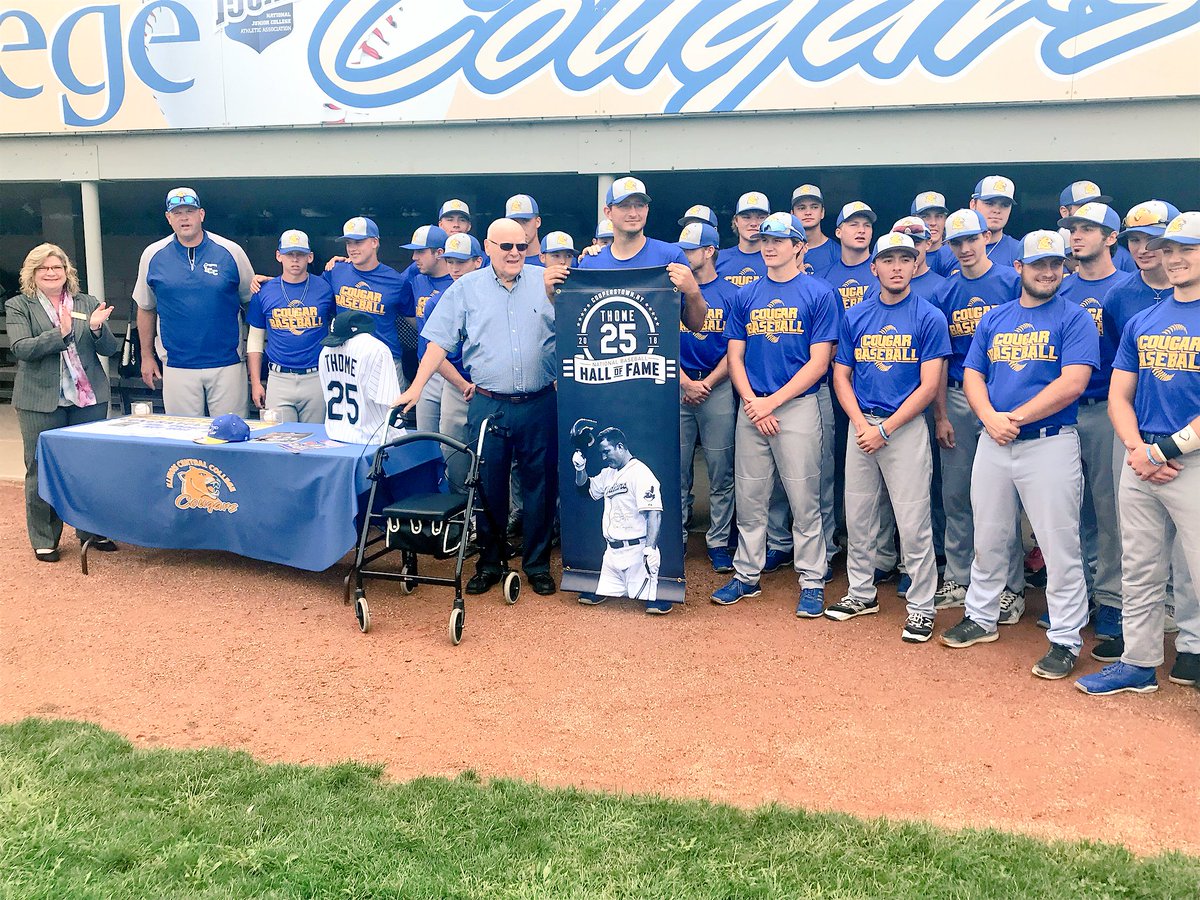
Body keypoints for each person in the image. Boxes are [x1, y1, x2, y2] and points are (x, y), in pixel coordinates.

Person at [941, 230, 1099, 680]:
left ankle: (1066, 638)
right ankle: (982, 615)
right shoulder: (995, 318)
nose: (1048, 272)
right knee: (988, 535)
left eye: (1055, 265)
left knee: (1058, 542)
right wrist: (990, 416)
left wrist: (1012, 418)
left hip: (1049, 441)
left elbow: (1073, 381)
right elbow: (972, 373)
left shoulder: (1074, 318)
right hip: (996, 440)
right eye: (1038, 265)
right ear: (1019, 268)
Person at [397, 218, 559, 598]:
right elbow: (437, 342)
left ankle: (536, 564)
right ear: (487, 248)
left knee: (540, 487)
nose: (515, 253)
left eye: (521, 246)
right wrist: (416, 388)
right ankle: (490, 562)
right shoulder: (465, 289)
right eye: (506, 247)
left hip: (539, 401)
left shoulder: (546, 282)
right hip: (489, 403)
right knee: (487, 487)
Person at [1075, 211, 1200, 695]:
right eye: (1169, 250)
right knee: (1141, 565)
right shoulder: (1146, 317)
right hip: (1142, 456)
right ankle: (1139, 662)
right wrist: (1138, 448)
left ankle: (1192, 649)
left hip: (1187, 459)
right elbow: (1118, 394)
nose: (1174, 259)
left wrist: (1165, 449)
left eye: (1186, 250)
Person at [711, 213, 840, 616]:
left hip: (796, 406)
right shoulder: (746, 294)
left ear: (799, 246)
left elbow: (820, 363)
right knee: (750, 496)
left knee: (805, 498)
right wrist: (753, 402)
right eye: (766, 239)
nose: (769, 246)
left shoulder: (819, 293)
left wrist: (771, 403)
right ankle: (746, 574)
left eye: (780, 241)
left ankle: (812, 580)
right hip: (753, 405)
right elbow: (735, 355)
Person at [828, 232, 950, 642]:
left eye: (905, 258)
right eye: (889, 259)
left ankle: (921, 606)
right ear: (873, 267)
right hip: (862, 425)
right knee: (859, 517)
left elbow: (929, 385)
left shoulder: (928, 315)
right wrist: (862, 425)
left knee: (913, 522)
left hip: (903, 427)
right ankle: (861, 592)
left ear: (916, 264)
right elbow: (840, 375)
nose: (897, 266)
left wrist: (886, 427)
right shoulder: (856, 315)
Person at [933, 209, 1024, 613]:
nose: (966, 249)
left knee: (1003, 498)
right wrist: (940, 416)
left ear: (987, 237)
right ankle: (957, 577)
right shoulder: (945, 292)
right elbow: (937, 361)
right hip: (955, 396)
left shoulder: (1010, 282)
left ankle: (1010, 586)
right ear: (949, 248)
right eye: (957, 243)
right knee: (956, 494)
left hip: (1000, 398)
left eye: (972, 239)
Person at [7, 243, 120, 561]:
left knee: (89, 466)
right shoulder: (20, 306)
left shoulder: (87, 302)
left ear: (66, 271)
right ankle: (45, 537)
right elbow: (21, 347)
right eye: (43, 268)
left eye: (57, 267)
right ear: (32, 273)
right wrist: (61, 333)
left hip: (88, 399)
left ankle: (91, 530)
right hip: (40, 400)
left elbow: (109, 349)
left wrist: (96, 328)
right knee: (41, 467)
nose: (51, 273)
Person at [1055, 202, 1133, 637]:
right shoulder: (1060, 289)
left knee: (1108, 510)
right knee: (1068, 508)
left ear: (1110, 238)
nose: (1077, 235)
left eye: (1089, 229)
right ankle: (1076, 592)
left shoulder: (1126, 288)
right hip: (1064, 412)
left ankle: (1111, 599)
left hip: (1106, 409)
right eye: (1073, 228)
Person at [134, 187, 254, 416]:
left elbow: (251, 303)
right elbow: (146, 307)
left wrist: (254, 357)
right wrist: (147, 356)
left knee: (231, 434)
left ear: (201, 214)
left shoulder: (230, 251)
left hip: (227, 362)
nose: (184, 217)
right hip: (177, 363)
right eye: (177, 213)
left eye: (190, 211)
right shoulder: (152, 254)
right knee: (184, 438)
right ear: (168, 218)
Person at [675, 222, 740, 573]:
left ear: (709, 251)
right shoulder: (672, 291)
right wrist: (685, 381)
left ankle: (717, 541)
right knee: (677, 470)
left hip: (718, 387)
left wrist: (708, 383)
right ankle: (678, 537)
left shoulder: (731, 293)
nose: (683, 256)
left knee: (720, 471)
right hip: (678, 385)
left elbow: (735, 351)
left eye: (689, 250)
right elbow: (661, 340)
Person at [246, 229, 335, 424]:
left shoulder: (325, 287)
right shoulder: (264, 290)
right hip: (279, 377)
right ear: (279, 256)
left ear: (309, 257)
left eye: (300, 255)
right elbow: (255, 339)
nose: (295, 260)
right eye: (289, 254)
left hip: (316, 376)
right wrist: (255, 383)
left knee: (316, 443)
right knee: (277, 440)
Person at [572, 427, 664, 605]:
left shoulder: (641, 473)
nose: (604, 458)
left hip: (637, 554)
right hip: (611, 557)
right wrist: (580, 468)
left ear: (620, 446)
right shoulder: (608, 473)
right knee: (603, 612)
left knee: (647, 610)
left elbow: (654, 513)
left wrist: (650, 549)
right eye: (601, 454)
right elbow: (584, 490)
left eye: (606, 452)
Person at [325, 216, 412, 387]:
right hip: (345, 358)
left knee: (388, 413)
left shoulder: (397, 281)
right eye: (349, 243)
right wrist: (268, 282)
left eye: (358, 242)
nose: (352, 248)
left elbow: (415, 320)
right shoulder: (335, 271)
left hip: (384, 360)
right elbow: (309, 292)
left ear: (374, 242)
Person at [437, 232, 485, 493]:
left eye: (461, 262)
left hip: (491, 388)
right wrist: (463, 384)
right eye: (450, 261)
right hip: (456, 385)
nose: (454, 268)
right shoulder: (438, 300)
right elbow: (431, 354)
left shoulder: (493, 297)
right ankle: (460, 519)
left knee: (494, 457)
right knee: (453, 451)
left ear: (477, 262)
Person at [318, 310, 403, 444]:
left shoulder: (325, 352)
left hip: (335, 434)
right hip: (372, 439)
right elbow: (390, 402)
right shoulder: (377, 349)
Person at [409, 227, 453, 436]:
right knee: (423, 438)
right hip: (426, 369)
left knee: (450, 441)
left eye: (420, 252)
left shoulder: (459, 280)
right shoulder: (416, 277)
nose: (414, 257)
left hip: (455, 372)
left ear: (439, 253)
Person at [1058, 181, 1136, 273]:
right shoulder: (1053, 243)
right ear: (1064, 212)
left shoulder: (1121, 254)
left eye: (1098, 203)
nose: (1092, 208)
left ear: (1111, 238)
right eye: (1085, 205)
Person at [822, 201, 879, 309]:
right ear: (838, 232)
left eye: (867, 225)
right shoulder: (823, 277)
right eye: (854, 225)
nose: (861, 230)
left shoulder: (884, 272)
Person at [716, 191, 770, 288]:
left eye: (760, 217)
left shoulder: (777, 259)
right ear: (736, 221)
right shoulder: (718, 259)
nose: (753, 223)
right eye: (746, 217)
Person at [969, 176, 1022, 268]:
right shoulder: (954, 248)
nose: (997, 210)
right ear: (973, 205)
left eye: (1005, 205)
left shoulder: (1019, 251)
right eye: (989, 203)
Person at [791, 184, 839, 276]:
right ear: (792, 214)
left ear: (822, 212)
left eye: (814, 207)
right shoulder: (784, 250)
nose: (808, 213)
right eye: (801, 208)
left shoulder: (836, 252)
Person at [913, 191, 955, 277]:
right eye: (925, 216)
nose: (933, 222)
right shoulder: (905, 257)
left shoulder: (956, 253)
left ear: (945, 220)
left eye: (939, 216)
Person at [505, 194, 544, 267]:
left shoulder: (555, 260)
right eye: (514, 222)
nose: (520, 228)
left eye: (525, 221)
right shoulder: (500, 263)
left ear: (537, 222)